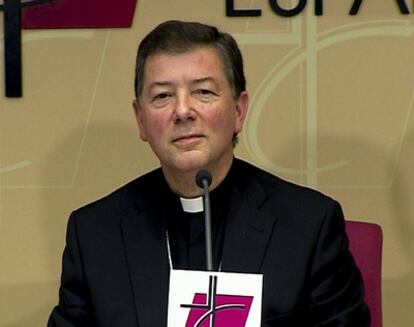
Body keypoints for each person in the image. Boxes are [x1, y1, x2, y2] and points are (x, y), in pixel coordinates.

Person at [48, 20, 370, 326]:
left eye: (203, 92)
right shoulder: (95, 234)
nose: (183, 111)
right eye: (162, 96)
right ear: (140, 119)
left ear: (238, 111)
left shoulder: (308, 225)